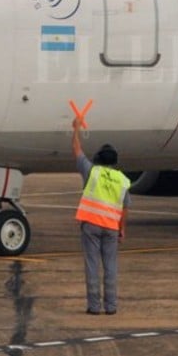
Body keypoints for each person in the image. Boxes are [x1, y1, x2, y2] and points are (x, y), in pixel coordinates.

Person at [72, 117, 131, 315]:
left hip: (91, 225)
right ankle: (111, 306)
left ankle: (94, 306)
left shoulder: (92, 171)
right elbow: (125, 206)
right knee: (110, 267)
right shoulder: (122, 179)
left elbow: (77, 150)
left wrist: (76, 129)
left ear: (98, 158)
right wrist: (122, 229)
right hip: (111, 227)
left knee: (92, 266)